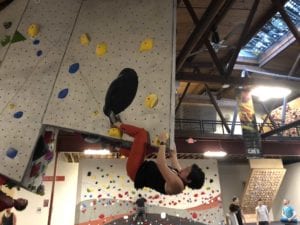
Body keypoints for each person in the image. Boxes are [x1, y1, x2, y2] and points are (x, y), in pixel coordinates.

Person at [111, 121, 205, 195]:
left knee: (141, 133)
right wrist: (170, 139)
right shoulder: (180, 174)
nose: (184, 168)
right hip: (142, 166)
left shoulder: (178, 186)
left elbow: (161, 163)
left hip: (136, 171)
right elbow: (173, 155)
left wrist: (163, 142)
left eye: (187, 170)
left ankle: (117, 124)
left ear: (188, 180)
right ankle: (115, 147)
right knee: (148, 148)